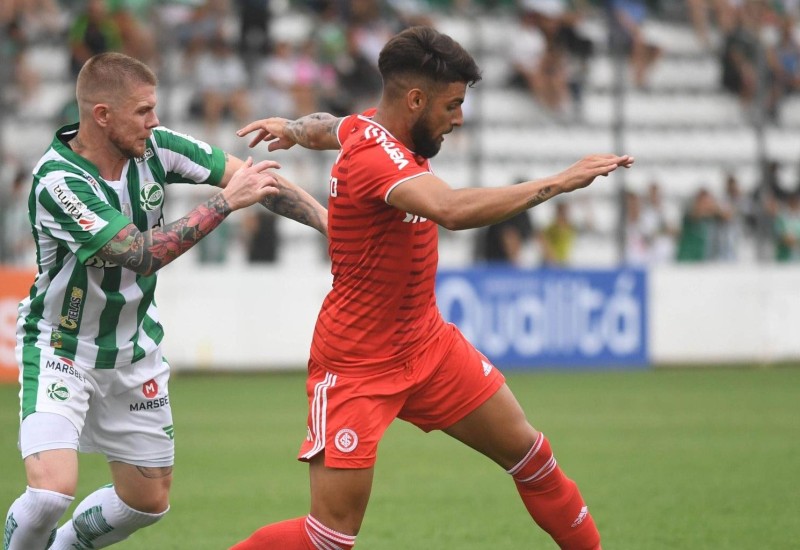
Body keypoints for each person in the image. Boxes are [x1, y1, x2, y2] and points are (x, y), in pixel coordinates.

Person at [233, 25, 633, 549]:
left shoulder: (369, 128)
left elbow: (329, 126)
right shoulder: (376, 155)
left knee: (532, 455)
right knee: (329, 537)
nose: (459, 118)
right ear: (416, 100)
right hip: (357, 363)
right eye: (452, 105)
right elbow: (451, 209)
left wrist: (290, 127)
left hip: (427, 345)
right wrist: (557, 182)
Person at [3, 51, 327, 550]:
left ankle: (65, 546)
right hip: (61, 349)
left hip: (134, 352)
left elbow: (255, 178)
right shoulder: (58, 182)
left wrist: (333, 226)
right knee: (50, 493)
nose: (154, 121)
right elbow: (140, 254)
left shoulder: (156, 147)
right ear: (102, 115)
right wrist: (225, 202)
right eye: (143, 111)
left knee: (147, 502)